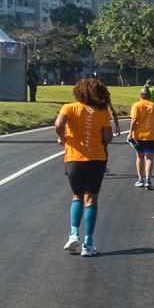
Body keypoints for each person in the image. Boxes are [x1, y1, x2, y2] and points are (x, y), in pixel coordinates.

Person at [55, 78, 114, 257]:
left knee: (76, 196)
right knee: (92, 200)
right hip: (96, 159)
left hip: (74, 159)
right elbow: (108, 137)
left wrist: (62, 137)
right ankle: (88, 244)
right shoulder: (102, 112)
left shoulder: (69, 108)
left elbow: (58, 124)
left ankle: (74, 233)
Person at [129, 87, 154, 188]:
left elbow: (134, 119)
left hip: (139, 136)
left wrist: (130, 132)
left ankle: (140, 179)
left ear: (140, 96)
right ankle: (148, 180)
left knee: (139, 157)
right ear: (149, 96)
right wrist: (153, 123)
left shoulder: (136, 105)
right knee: (149, 158)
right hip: (152, 136)